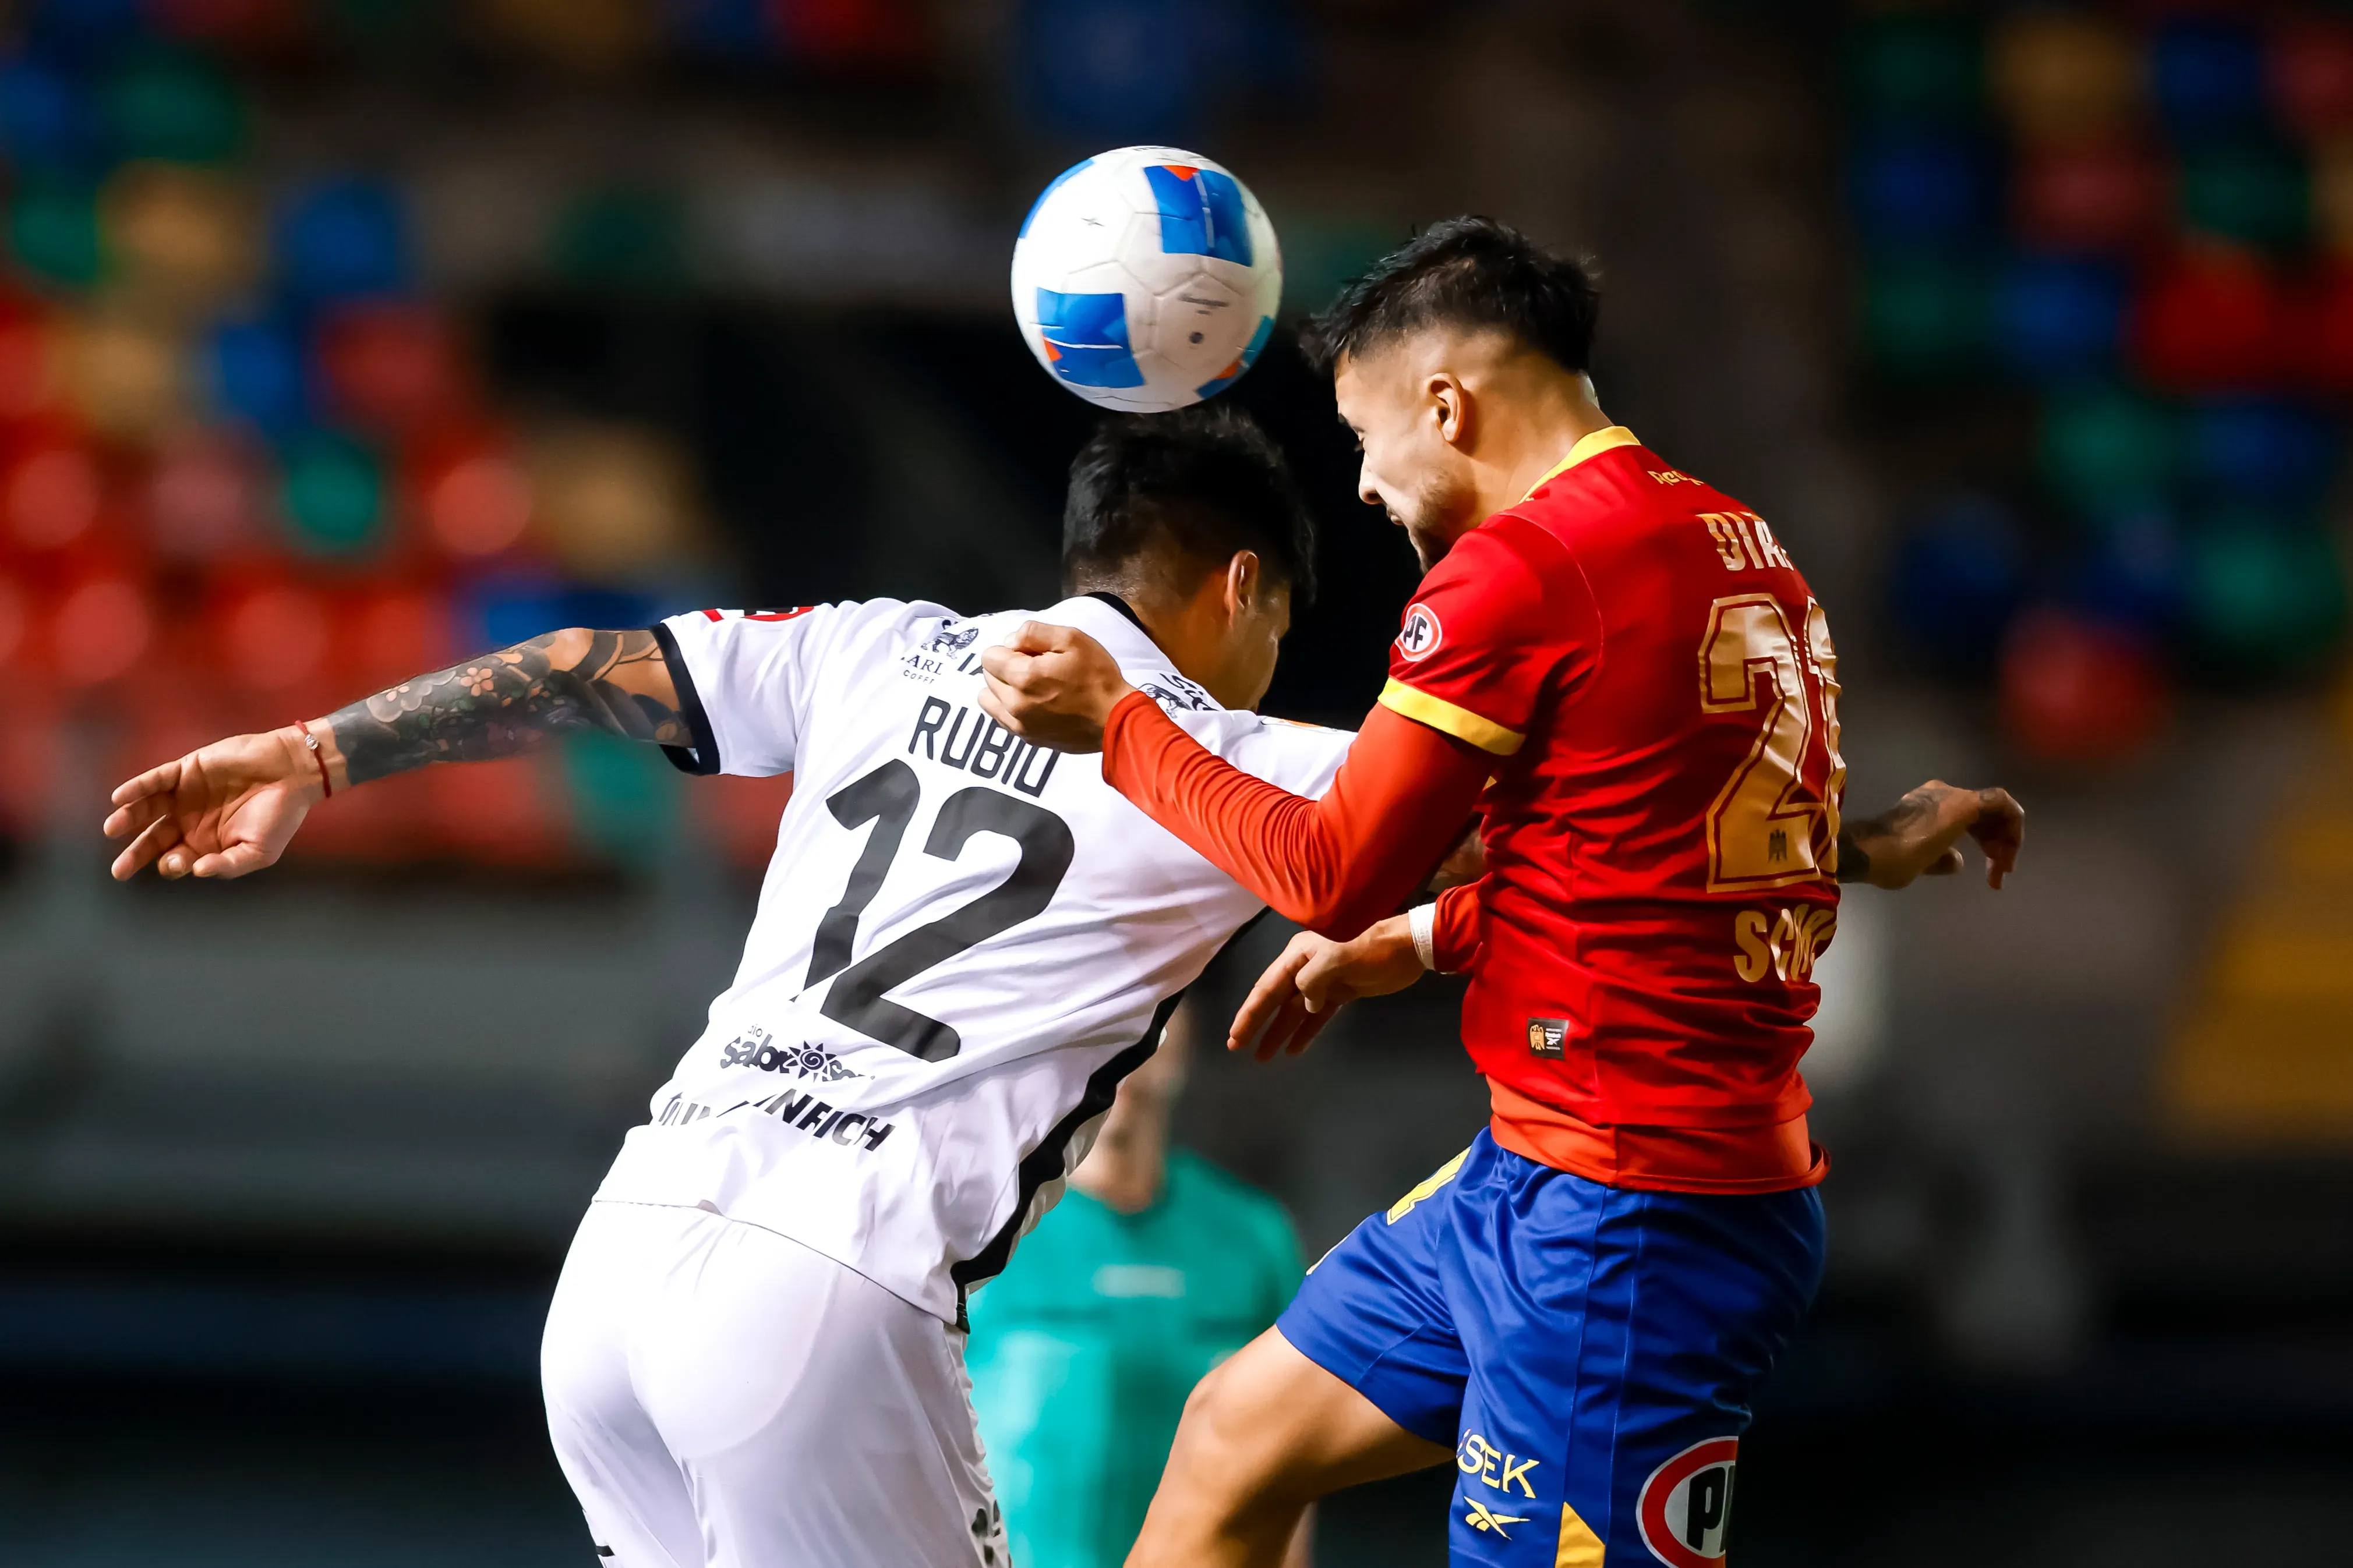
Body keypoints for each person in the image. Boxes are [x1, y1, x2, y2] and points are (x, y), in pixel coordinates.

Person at [101, 406, 1364, 1568]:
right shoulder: (1239, 757)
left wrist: (320, 750)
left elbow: (578, 664)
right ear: (1243, 588)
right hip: (835, 1290)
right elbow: (1504, 813)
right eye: (1279, 629)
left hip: (624, 1252)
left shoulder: (876, 644)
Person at [977, 218, 2026, 1567]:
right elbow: (1662, 849)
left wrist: (1120, 718)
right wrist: (1423, 940)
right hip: (1536, 1170)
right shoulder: (1735, 539)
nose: (1360, 488)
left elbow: (1325, 869)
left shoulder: (1520, 572)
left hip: (1632, 1218)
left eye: (1360, 442)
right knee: (1237, 1436)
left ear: (1445, 403)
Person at [967, 1003, 1314, 1568]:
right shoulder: (977, 1232)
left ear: (1186, 1038)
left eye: (1153, 1007)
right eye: (1101, 1013)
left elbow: (1294, 1451)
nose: (1123, 1040)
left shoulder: (1253, 1236)